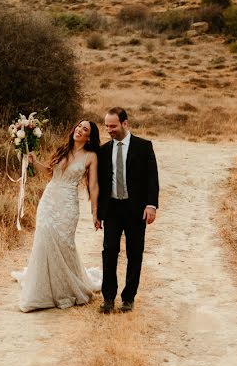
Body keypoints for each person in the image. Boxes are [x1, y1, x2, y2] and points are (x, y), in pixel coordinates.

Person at [13, 120, 103, 312]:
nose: (79, 130)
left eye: (85, 129)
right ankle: (40, 291)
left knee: (64, 244)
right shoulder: (63, 149)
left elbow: (94, 186)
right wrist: (34, 161)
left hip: (68, 205)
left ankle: (67, 286)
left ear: (89, 137)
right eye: (78, 126)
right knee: (44, 240)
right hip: (49, 200)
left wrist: (96, 212)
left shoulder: (91, 156)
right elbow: (49, 173)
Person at [94, 107, 159, 314]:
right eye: (106, 126)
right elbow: (99, 185)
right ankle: (108, 298)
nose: (109, 130)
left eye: (113, 126)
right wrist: (97, 212)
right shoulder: (103, 151)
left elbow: (152, 179)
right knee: (109, 252)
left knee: (135, 254)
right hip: (112, 209)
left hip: (136, 210)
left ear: (125, 123)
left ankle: (128, 298)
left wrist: (151, 205)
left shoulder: (143, 147)